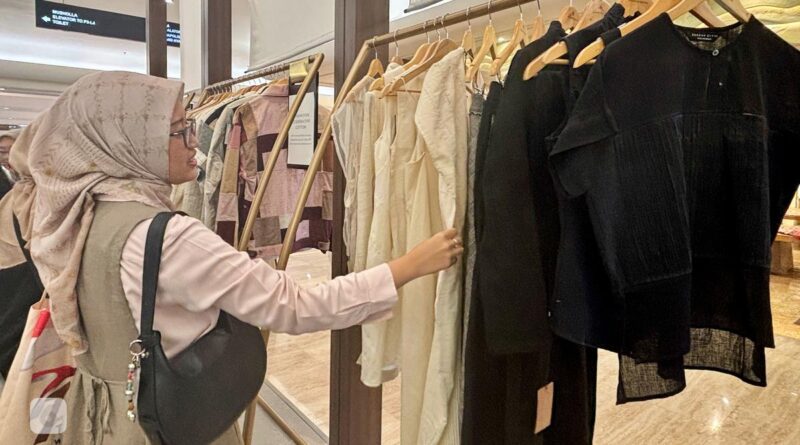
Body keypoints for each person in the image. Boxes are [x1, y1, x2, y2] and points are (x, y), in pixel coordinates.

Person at [0, 71, 463, 444]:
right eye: (178, 131)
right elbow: (295, 306)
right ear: (128, 141)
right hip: (167, 420)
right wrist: (408, 266)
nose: (195, 142)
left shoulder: (72, 214)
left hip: (99, 413)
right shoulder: (167, 237)